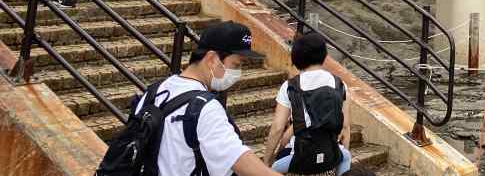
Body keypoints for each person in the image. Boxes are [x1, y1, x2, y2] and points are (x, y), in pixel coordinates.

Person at [128, 21, 275, 176]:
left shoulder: (155, 90)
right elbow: (240, 159)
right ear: (211, 59)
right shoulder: (206, 108)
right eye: (236, 64)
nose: (238, 73)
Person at [262, 31, 352, 175]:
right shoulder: (340, 84)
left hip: (301, 158)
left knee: (273, 169)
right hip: (330, 154)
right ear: (324, 55)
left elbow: (278, 129)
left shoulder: (290, 86)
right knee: (346, 157)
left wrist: (267, 162)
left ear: (296, 58)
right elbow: (346, 128)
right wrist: (339, 156)